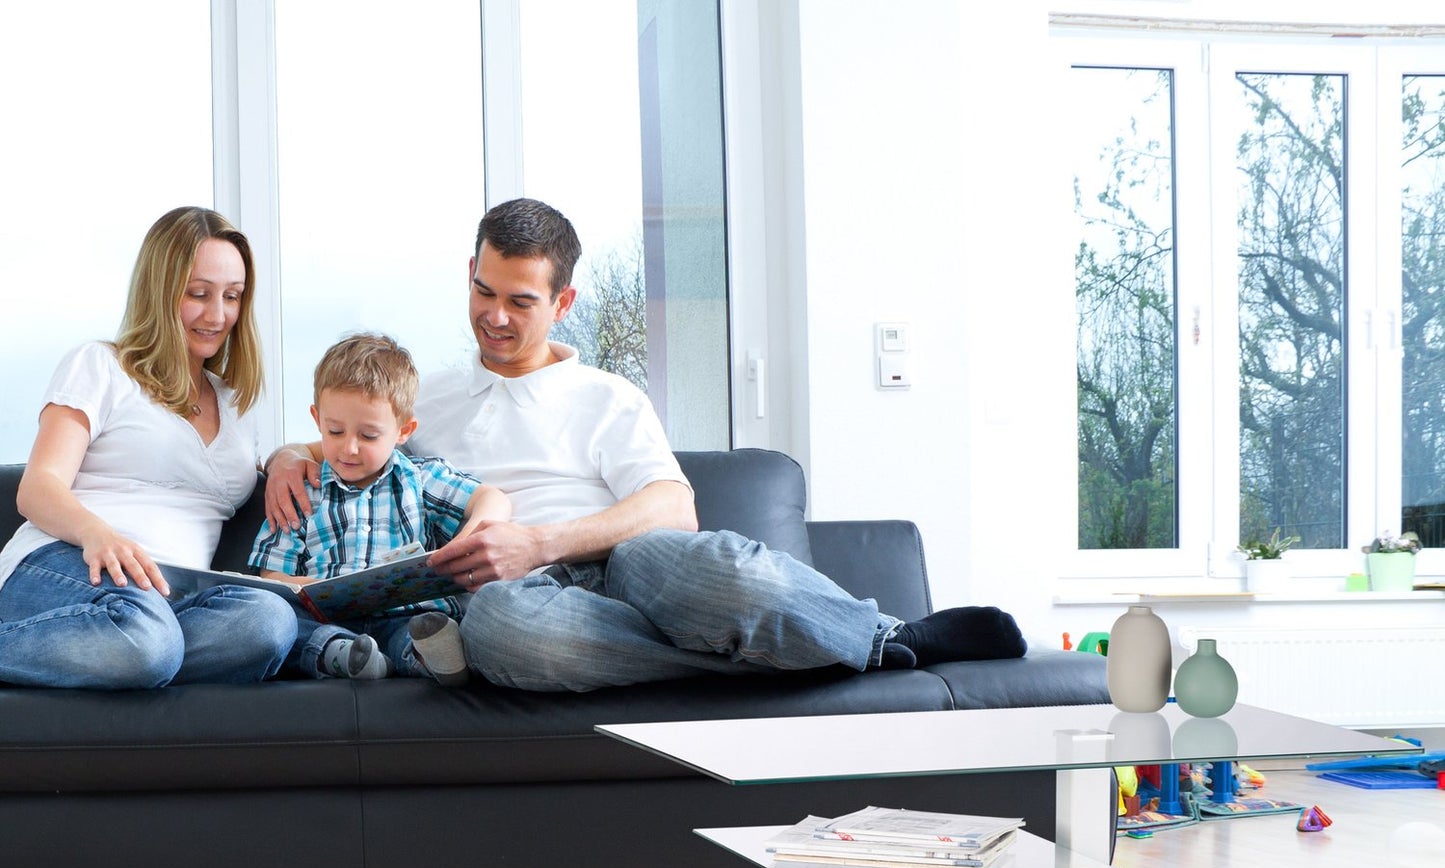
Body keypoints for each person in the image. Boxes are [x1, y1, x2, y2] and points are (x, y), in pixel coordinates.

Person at [265, 197, 1025, 693]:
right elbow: (342, 438)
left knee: (729, 577)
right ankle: (752, 661)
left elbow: (673, 507)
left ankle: (886, 634)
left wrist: (545, 539)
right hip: (520, 602)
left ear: (562, 302)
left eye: (521, 302)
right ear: (469, 274)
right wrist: (286, 458)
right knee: (499, 632)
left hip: (629, 569)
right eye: (484, 292)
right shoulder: (421, 400)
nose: (495, 317)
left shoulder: (606, 395)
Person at [0, 206, 297, 690]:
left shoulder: (235, 404)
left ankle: (128, 658)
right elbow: (38, 487)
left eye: (232, 296)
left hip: (166, 595)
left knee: (267, 623)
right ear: (160, 291)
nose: (217, 315)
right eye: (198, 294)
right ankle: (134, 650)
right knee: (146, 636)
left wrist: (292, 455)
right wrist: (98, 534)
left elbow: (279, 458)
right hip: (72, 565)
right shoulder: (101, 365)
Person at [249, 332, 509, 683]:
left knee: (416, 630)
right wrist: (305, 586)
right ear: (316, 418)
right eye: (335, 431)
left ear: (404, 430)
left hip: (403, 616)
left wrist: (462, 545)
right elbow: (272, 576)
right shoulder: (302, 490)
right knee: (289, 628)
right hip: (328, 621)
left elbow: (493, 499)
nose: (349, 448)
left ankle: (428, 655)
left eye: (369, 436)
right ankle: (343, 656)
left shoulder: (420, 478)